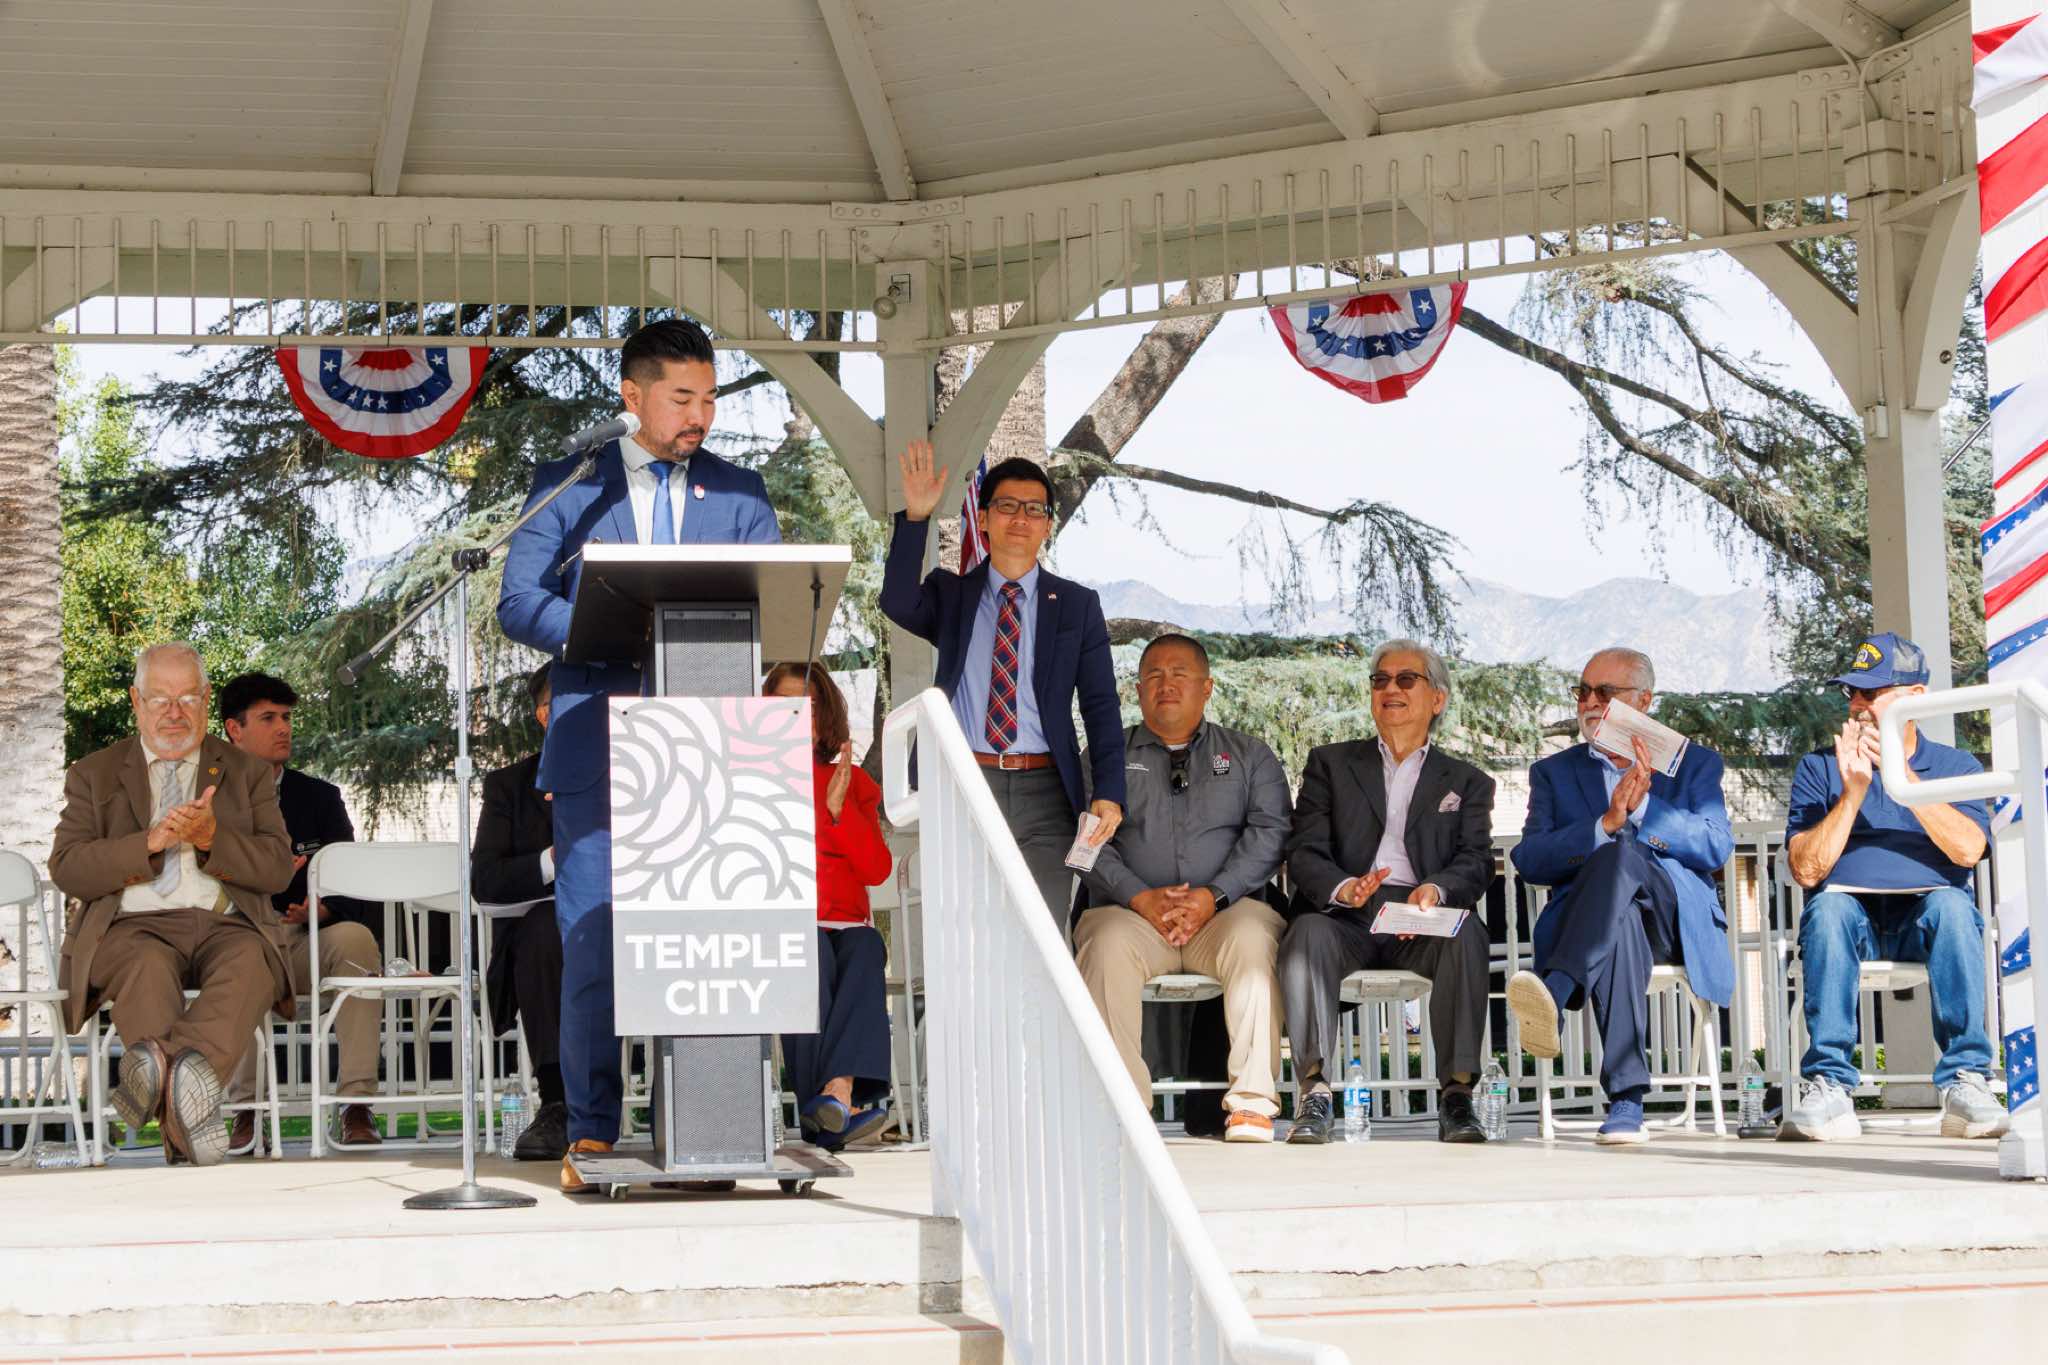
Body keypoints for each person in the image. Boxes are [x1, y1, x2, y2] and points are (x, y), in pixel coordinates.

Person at [497, 317, 781, 1193]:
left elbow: (773, 605)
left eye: (710, 398)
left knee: (706, 949)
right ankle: (592, 1133)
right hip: (599, 753)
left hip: (714, 760)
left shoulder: (741, 494)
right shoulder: (569, 486)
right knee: (595, 950)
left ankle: (708, 1131)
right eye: (682, 397)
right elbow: (517, 600)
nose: (701, 415)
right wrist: (611, 630)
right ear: (631, 395)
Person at [48, 642, 295, 1167]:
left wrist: (211, 839)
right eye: (160, 699)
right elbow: (67, 867)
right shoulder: (94, 773)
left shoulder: (246, 772)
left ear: (206, 699)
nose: (174, 712)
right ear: (136, 702)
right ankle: (186, 1121)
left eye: (187, 698)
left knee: (254, 962)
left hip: (227, 924)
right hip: (131, 928)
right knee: (145, 966)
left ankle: (154, 1072)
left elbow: (276, 868)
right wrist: (149, 843)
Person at [881, 440, 1123, 930]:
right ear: (984, 518)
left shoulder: (1076, 605)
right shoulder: (953, 594)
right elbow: (898, 601)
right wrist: (917, 517)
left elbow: (1100, 705)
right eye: (1007, 506)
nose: (1021, 518)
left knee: (1041, 931)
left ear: (1047, 525)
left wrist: (1110, 790)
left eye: (1035, 509)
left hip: (1046, 791)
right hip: (966, 780)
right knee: (965, 927)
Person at [1778, 632, 2007, 1142]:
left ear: (1915, 698)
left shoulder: (1955, 766)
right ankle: (1830, 1084)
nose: (1857, 704)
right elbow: (1807, 871)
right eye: (1852, 692)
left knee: (1953, 906)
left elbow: (1968, 850)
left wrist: (1902, 778)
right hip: (1850, 923)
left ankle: (1967, 1079)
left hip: (1926, 922)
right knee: (1828, 909)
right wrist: (1853, 792)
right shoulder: (1820, 767)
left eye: (1872, 692)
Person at [1506, 648, 1734, 1144]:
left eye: (1604, 692)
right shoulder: (1554, 773)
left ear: (1644, 701)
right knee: (1618, 904)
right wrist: (1605, 824)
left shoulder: (1693, 764)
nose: (1589, 702)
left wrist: (1645, 808)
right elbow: (1530, 859)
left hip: (1670, 921)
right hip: (1602, 928)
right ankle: (1627, 1102)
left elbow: (1715, 845)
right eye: (1582, 691)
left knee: (1621, 861)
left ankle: (1557, 989)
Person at [1074, 634, 1292, 1142]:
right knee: (1103, 944)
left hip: (1224, 914)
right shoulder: (1103, 758)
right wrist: (1139, 897)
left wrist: (1213, 895)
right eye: (1153, 675)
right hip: (1131, 915)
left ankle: (1252, 1104)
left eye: (1179, 674)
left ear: (1207, 687)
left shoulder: (1249, 755)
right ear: (1137, 690)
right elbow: (1084, 841)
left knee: (1255, 940)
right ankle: (1123, 1110)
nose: (1165, 684)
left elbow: (1271, 834)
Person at [1278, 639, 1496, 1145]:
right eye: (1380, 680)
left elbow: (1477, 860)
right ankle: (1315, 1093)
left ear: (1437, 699)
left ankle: (1457, 1096)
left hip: (1420, 917)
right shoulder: (1330, 764)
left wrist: (1436, 889)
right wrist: (1343, 887)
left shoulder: (1467, 781)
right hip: (1345, 917)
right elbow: (1304, 850)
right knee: (1306, 933)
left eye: (1405, 679)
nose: (1390, 688)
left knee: (1468, 934)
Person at [217, 671, 384, 1152]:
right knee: (240, 952)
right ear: (234, 729)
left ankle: (355, 1104)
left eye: (287, 717)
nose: (284, 728)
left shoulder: (319, 797)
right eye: (269, 718)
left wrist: (325, 909)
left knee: (355, 940)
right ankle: (247, 1111)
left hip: (306, 941)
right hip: (237, 939)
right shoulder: (207, 799)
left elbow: (351, 881)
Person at [763, 662, 896, 1151]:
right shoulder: (756, 778)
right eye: (785, 706)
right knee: (811, 951)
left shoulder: (851, 780)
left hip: (845, 923)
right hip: (787, 924)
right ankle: (833, 1108)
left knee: (866, 946)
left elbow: (876, 870)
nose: (800, 716)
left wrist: (839, 812)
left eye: (810, 706)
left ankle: (835, 1095)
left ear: (826, 716)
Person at [472, 665, 569, 1160]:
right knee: (545, 928)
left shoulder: (635, 775)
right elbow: (486, 882)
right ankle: (558, 1103)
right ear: (545, 715)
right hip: (543, 941)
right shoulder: (509, 787)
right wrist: (554, 859)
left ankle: (679, 1101)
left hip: (624, 929)